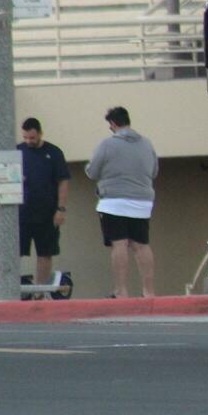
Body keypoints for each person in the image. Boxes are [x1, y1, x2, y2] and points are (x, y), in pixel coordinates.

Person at [85, 106, 159, 299]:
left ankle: (121, 290)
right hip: (142, 203)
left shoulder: (107, 145)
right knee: (142, 245)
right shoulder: (147, 144)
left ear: (113, 124)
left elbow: (92, 172)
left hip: (113, 202)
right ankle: (149, 291)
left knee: (119, 244)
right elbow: (154, 172)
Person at [17, 117, 69, 288]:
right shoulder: (17, 151)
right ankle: (12, 289)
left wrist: (61, 208)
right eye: (25, 138)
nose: (28, 141)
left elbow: (63, 181)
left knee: (45, 253)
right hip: (22, 213)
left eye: (32, 138)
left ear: (40, 134)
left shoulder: (53, 152)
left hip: (47, 213)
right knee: (15, 252)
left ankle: (39, 290)